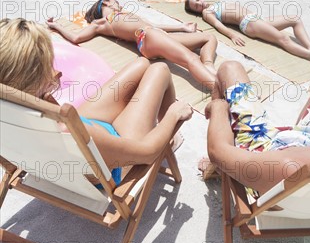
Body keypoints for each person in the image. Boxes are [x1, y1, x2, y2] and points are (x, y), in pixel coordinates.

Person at [0, 18, 193, 183]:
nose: (55, 71)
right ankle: (169, 141)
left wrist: (44, 92)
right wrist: (173, 115)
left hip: (88, 140)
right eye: (47, 64)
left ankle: (151, 126)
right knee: (159, 70)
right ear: (33, 77)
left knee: (142, 64)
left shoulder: (10, 115)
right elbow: (148, 152)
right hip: (111, 158)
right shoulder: (69, 131)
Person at [205, 61, 310, 195]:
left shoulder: (288, 169)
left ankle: (219, 166)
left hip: (265, 151)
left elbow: (216, 150)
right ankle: (301, 127)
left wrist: (218, 107)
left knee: (230, 68)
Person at [47, 0, 218, 90]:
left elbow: (153, 26)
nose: (119, 4)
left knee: (209, 38)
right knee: (190, 59)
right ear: (106, 2)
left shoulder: (124, 15)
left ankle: (208, 67)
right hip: (148, 38)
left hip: (156, 35)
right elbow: (76, 38)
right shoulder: (102, 22)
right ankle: (223, 92)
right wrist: (57, 26)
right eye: (116, 2)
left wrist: (181, 27)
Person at [185, 0, 310, 63]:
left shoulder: (213, 3)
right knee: (282, 38)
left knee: (294, 19)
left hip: (257, 19)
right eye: (196, 6)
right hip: (248, 24)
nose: (199, 4)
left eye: (198, 0)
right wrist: (232, 35)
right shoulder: (207, 12)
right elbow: (218, 25)